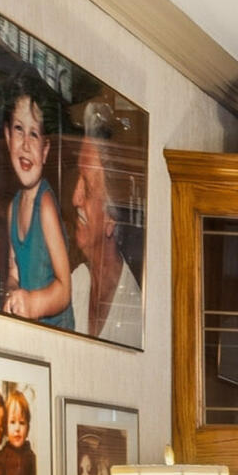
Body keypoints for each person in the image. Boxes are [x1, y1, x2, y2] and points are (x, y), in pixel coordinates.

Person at [0, 89, 75, 328]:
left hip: (57, 334)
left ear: (45, 151)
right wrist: (13, 296)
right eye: (19, 130)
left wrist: (32, 303)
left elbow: (64, 290)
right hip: (32, 328)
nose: (26, 145)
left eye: (34, 134)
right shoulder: (13, 208)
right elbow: (14, 273)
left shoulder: (46, 206)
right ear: (8, 137)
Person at [66, 107, 142, 344]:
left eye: (87, 189)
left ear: (112, 219)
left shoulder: (133, 316)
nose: (74, 198)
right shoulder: (76, 282)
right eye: (78, 178)